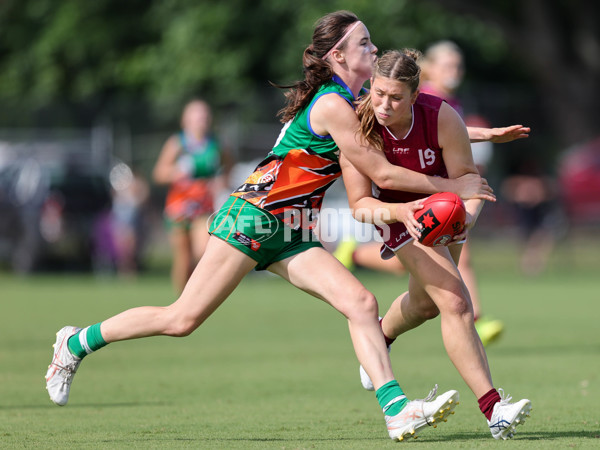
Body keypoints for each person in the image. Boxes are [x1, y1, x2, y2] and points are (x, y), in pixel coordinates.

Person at [45, 11, 494, 442]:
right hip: (254, 217)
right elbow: (383, 174)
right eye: (364, 42)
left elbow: (403, 119)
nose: (374, 48)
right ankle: (76, 342)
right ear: (338, 55)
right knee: (181, 319)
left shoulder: (355, 102)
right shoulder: (334, 105)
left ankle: (396, 411)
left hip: (293, 229)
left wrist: (480, 135)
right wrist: (453, 183)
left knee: (360, 302)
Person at [340, 49, 531, 440]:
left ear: (415, 95)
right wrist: (405, 213)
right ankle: (495, 409)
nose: (383, 105)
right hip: (394, 215)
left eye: (395, 97)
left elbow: (469, 182)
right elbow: (360, 206)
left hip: (441, 214)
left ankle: (380, 336)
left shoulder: (441, 115)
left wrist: (465, 219)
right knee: (457, 303)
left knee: (426, 304)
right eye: (378, 93)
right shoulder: (357, 126)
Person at [153, 99, 232, 294]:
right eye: (197, 116)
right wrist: (176, 172)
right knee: (183, 259)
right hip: (178, 208)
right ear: (185, 120)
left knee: (203, 251)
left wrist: (221, 180)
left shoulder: (215, 144)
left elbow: (229, 164)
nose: (202, 120)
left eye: (205, 116)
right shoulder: (177, 143)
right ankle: (181, 300)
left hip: (203, 207)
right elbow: (159, 173)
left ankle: (197, 295)